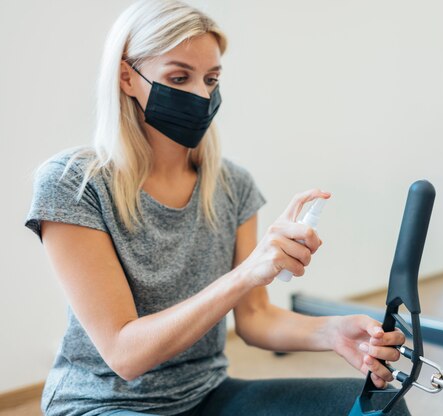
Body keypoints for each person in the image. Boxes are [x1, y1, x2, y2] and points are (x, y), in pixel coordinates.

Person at [24, 1, 411, 415]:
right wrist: (246, 273)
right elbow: (125, 354)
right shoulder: (74, 183)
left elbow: (255, 318)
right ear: (126, 77)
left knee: (382, 408)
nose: (201, 94)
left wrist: (332, 332)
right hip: (102, 403)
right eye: (178, 77)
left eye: (211, 79)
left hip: (205, 395)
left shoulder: (232, 185)